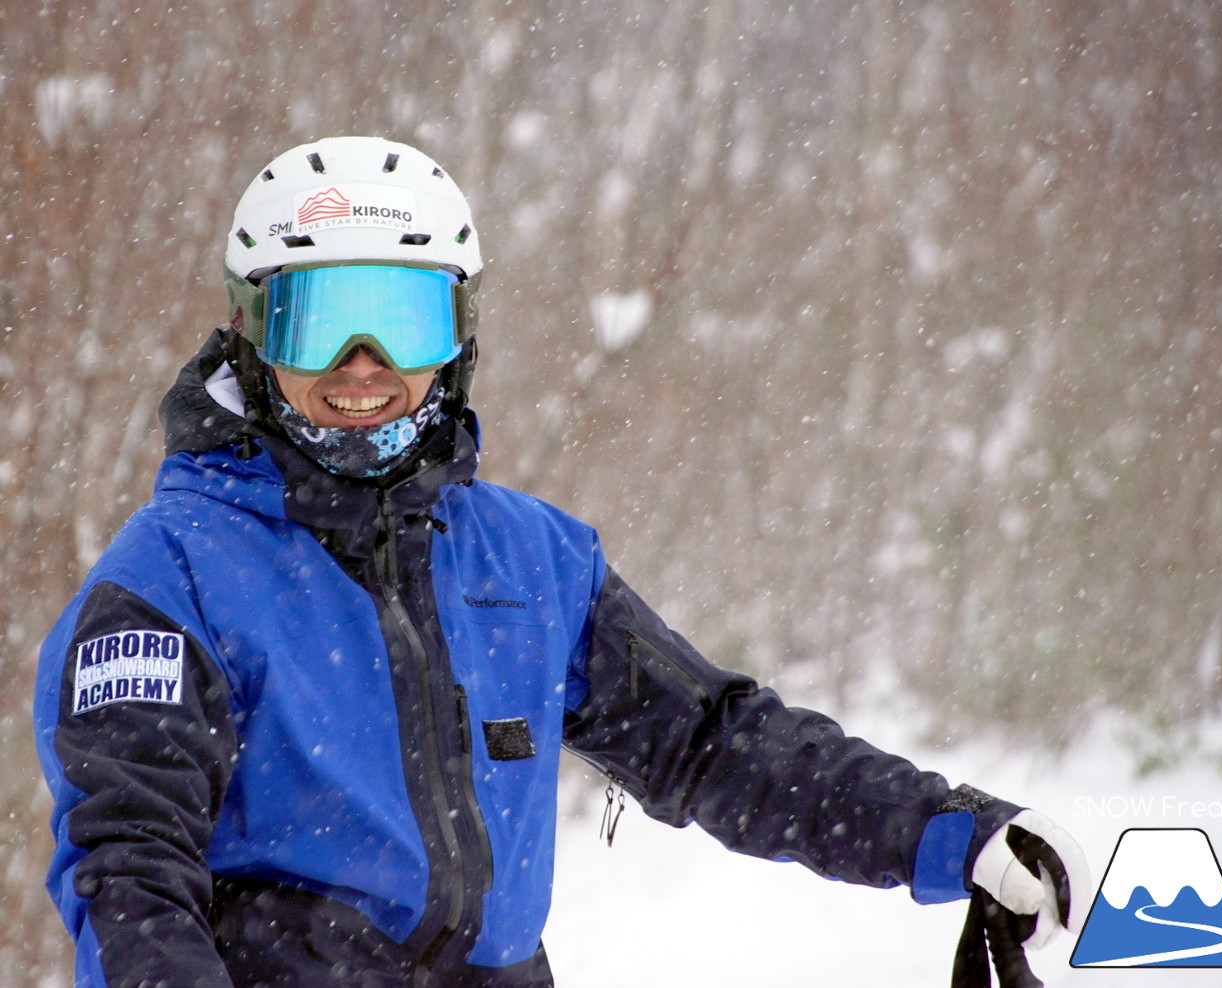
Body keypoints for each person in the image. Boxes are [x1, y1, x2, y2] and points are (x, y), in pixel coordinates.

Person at [34, 136, 1088, 988]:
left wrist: (947, 831)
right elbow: (129, 870)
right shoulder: (170, 580)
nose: (366, 369)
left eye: (402, 321)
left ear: (456, 337)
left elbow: (714, 745)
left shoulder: (529, 559)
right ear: (254, 335)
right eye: (319, 323)